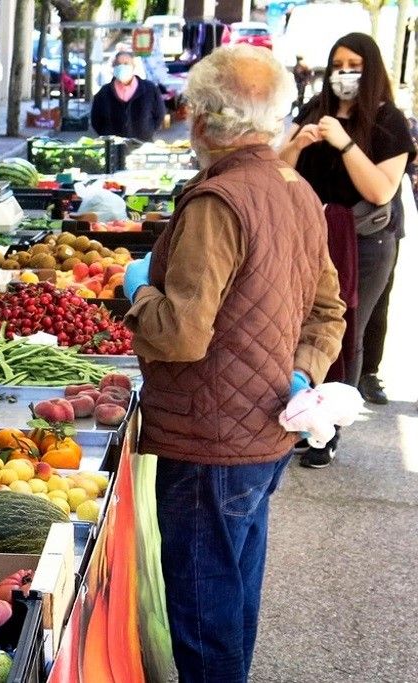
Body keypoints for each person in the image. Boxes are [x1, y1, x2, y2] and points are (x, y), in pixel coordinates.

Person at [122, 45, 346, 682]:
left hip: (208, 443)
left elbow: (180, 335)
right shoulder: (294, 188)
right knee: (233, 597)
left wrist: (138, 290)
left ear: (200, 120)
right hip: (266, 430)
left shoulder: (217, 202)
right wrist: (299, 371)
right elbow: (329, 309)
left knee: (201, 616)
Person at [280, 32, 415, 466]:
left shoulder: (389, 121)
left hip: (366, 241)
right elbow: (276, 173)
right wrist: (296, 145)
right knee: (301, 327)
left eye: (354, 64)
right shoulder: (313, 111)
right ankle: (303, 414)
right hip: (311, 238)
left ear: (371, 68)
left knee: (345, 332)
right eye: (337, 64)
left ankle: (330, 430)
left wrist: (345, 143)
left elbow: (380, 189)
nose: (344, 73)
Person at [359, 115, 418, 405]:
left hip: (383, 227)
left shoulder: (393, 123)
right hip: (334, 223)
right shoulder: (326, 114)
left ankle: (368, 371)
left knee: (377, 305)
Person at [90, 51, 165, 141]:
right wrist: (106, 135)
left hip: (143, 145)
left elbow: (160, 114)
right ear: (114, 67)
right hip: (113, 147)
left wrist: (148, 132)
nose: (122, 67)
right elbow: (95, 120)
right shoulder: (104, 92)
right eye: (118, 64)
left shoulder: (150, 89)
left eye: (126, 63)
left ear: (133, 66)